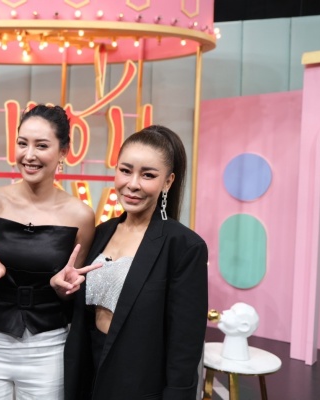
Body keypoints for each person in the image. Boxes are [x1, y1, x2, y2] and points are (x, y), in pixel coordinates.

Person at [0, 104, 99, 400]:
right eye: (22, 143)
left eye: (42, 145)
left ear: (63, 152)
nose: (29, 155)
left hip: (49, 346)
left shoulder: (81, 215)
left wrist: (64, 289)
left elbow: (73, 289)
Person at [64, 125, 208, 399]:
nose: (132, 184)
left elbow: (185, 344)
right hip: (88, 372)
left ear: (168, 182)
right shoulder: (101, 232)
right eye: (125, 170)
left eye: (148, 175)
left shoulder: (184, 247)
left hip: (140, 382)